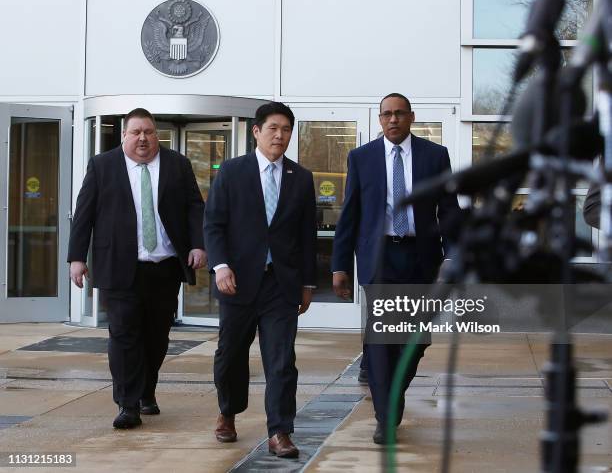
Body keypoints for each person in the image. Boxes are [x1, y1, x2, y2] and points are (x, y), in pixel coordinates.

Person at [332, 93, 459, 444]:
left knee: (416, 340)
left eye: (399, 114)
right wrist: (340, 265)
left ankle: (392, 395)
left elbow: (448, 209)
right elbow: (350, 215)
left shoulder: (435, 156)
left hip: (421, 259)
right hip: (379, 258)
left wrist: (452, 256)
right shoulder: (362, 158)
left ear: (411, 117)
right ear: (379, 119)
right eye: (386, 114)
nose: (392, 120)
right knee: (379, 342)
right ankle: (385, 417)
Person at [67, 108, 206, 429]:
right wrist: (77, 257)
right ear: (124, 136)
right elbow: (84, 213)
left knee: (156, 336)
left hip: (164, 267)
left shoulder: (177, 165)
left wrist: (198, 244)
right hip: (119, 266)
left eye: (149, 132)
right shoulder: (103, 166)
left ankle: (146, 391)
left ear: (157, 134)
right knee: (124, 335)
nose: (143, 138)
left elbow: (194, 208)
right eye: (136, 132)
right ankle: (127, 404)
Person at [204, 102, 317, 459]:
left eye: (286, 129)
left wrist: (308, 283)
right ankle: (228, 412)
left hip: (280, 285)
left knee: (282, 359)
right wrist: (220, 265)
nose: (280, 135)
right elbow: (214, 224)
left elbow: (307, 236)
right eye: (273, 128)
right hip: (237, 281)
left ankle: (280, 430)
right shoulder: (232, 172)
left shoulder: (300, 178)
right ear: (256, 131)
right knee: (231, 355)